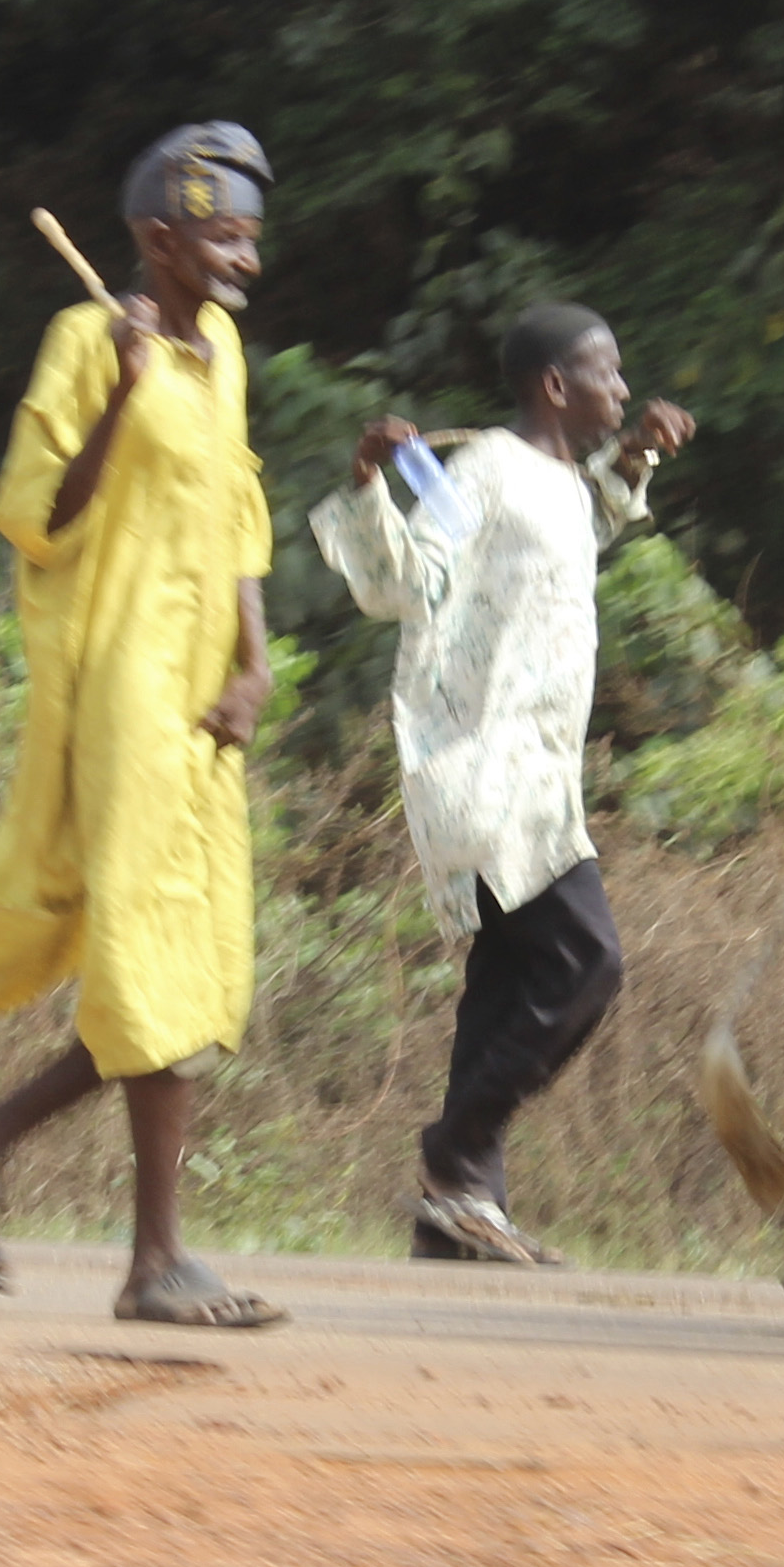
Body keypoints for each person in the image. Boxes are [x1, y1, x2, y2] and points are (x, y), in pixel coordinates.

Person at [0, 122, 287, 1331]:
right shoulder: (83, 340)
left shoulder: (220, 349)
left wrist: (257, 668)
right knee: (148, 958)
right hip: (122, 691)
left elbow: (240, 525)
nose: (243, 264)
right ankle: (152, 1260)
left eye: (252, 242)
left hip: (204, 696)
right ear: (157, 239)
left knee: (176, 965)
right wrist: (118, 395)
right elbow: (34, 517)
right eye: (222, 239)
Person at [310, 300, 694, 1265]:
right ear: (555, 387)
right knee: (587, 962)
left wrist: (638, 453)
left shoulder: (560, 480)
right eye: (607, 374)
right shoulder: (478, 474)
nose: (622, 385)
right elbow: (403, 582)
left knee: (506, 981)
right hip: (482, 763)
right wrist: (369, 482)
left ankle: (459, 1212)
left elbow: (580, 524)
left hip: (536, 765)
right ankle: (458, 1148)